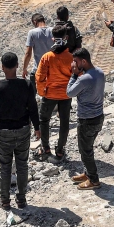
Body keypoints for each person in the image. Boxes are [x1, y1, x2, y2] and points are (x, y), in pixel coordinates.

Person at [0, 51, 40, 210]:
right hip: (23, 130)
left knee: (5, 167)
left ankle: (5, 201)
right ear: (17, 66)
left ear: (2, 68)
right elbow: (33, 108)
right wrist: (37, 128)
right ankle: (21, 199)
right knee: (22, 165)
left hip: (4, 132)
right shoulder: (27, 85)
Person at [67, 47, 106, 190]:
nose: (74, 65)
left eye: (76, 62)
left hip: (86, 121)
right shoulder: (100, 72)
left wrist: (73, 75)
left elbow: (70, 93)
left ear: (83, 61)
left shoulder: (84, 79)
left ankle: (94, 180)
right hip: (98, 117)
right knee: (87, 148)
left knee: (85, 151)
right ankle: (88, 173)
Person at [35, 31, 72, 161]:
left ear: (52, 39)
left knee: (44, 120)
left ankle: (46, 148)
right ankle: (60, 150)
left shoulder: (47, 57)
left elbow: (39, 77)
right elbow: (75, 76)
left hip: (49, 94)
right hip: (66, 95)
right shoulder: (70, 57)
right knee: (64, 122)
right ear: (65, 38)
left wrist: (42, 92)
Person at [22, 13, 54, 88]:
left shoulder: (32, 32)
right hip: (52, 70)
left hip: (38, 70)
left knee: (34, 95)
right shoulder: (53, 30)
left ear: (35, 22)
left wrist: (24, 69)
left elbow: (28, 53)